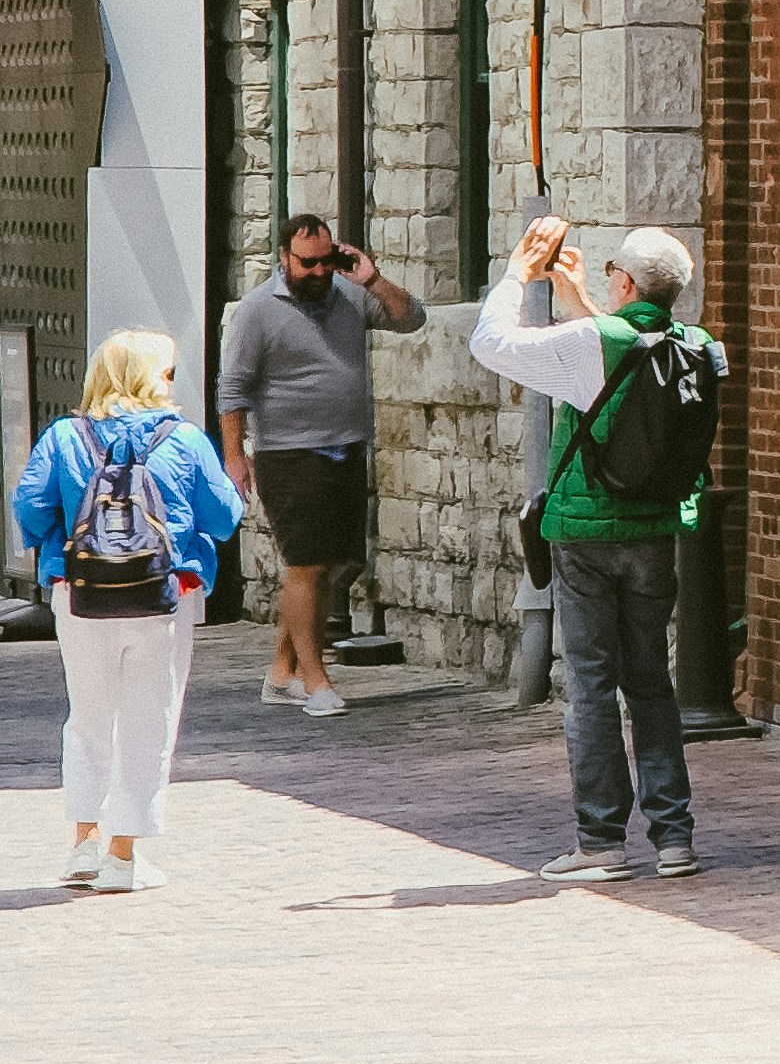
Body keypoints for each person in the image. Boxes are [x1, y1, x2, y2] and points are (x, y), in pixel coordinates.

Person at [468, 216, 726, 884]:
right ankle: (674, 839)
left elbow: (492, 343)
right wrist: (583, 296)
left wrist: (520, 274)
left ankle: (601, 842)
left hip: (586, 537)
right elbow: (624, 365)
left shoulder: (593, 341)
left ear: (627, 280)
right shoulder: (700, 346)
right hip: (654, 531)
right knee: (651, 683)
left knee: (589, 683)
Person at [15, 330, 243, 891]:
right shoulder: (184, 440)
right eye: (166, 373)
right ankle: (123, 856)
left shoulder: (65, 436)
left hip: (81, 594)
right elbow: (223, 517)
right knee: (148, 719)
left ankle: (83, 845)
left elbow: (29, 506)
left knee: (88, 717)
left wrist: (61, 547)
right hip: (162, 597)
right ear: (151, 378)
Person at [214, 212, 424, 719]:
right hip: (288, 453)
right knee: (305, 564)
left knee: (330, 565)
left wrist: (371, 278)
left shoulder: (348, 294)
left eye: (324, 262)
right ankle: (315, 681)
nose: (316, 272)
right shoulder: (257, 311)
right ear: (283, 257)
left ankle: (281, 672)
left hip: (346, 446)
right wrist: (235, 457)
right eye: (306, 264)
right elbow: (232, 389)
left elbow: (410, 318)